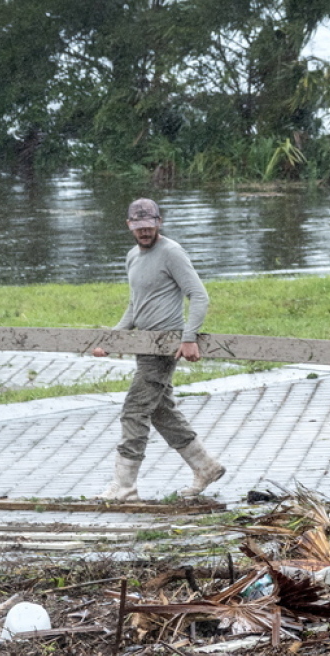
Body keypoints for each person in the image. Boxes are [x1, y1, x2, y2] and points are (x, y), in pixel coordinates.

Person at [92, 198, 225, 501]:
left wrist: (188, 338)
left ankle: (124, 486)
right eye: (139, 227)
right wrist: (113, 340)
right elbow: (134, 305)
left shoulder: (172, 253)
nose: (145, 232)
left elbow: (199, 296)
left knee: (134, 410)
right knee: (161, 411)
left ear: (159, 222)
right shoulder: (132, 257)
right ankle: (205, 467)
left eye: (150, 226)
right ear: (129, 226)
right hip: (143, 345)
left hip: (164, 347)